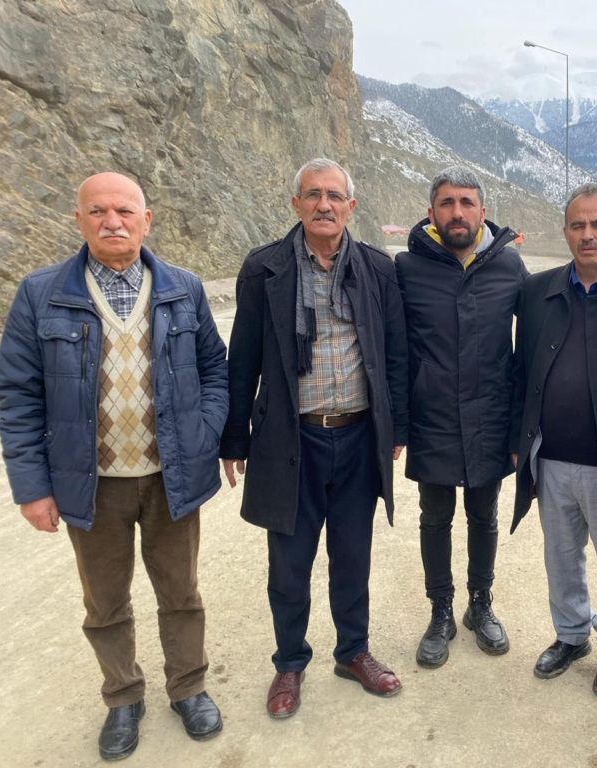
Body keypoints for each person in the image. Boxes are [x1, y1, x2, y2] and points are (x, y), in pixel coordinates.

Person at [0, 172, 228, 760]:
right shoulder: (41, 293)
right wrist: (31, 487)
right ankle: (123, 697)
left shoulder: (183, 288)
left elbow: (214, 369)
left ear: (146, 221)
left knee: (181, 592)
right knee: (104, 602)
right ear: (79, 220)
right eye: (98, 211)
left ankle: (189, 687)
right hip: (90, 483)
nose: (112, 221)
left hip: (171, 477)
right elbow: (17, 395)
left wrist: (204, 433)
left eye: (125, 211)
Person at [219, 158, 409, 718]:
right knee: (290, 562)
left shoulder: (377, 269)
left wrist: (396, 427)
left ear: (350, 205)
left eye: (333, 195)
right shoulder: (265, 268)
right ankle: (289, 663)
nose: (324, 204)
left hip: (357, 438)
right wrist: (234, 439)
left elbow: (395, 355)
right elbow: (242, 359)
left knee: (352, 555)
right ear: (296, 204)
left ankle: (353, 652)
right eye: (312, 195)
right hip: (290, 440)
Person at [510, 182, 597, 697]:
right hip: (550, 458)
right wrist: (518, 441)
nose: (588, 234)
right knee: (560, 554)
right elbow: (521, 370)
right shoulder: (537, 292)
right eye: (578, 225)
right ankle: (571, 636)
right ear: (566, 231)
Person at [395, 167, 527, 667]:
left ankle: (480, 603)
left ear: (482, 212)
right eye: (447, 203)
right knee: (434, 517)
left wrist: (523, 424)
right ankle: (441, 611)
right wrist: (398, 423)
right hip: (432, 418)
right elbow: (393, 351)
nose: (457, 212)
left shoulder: (509, 266)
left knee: (484, 515)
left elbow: (537, 340)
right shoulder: (407, 268)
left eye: (467, 203)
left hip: (490, 417)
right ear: (431, 213)